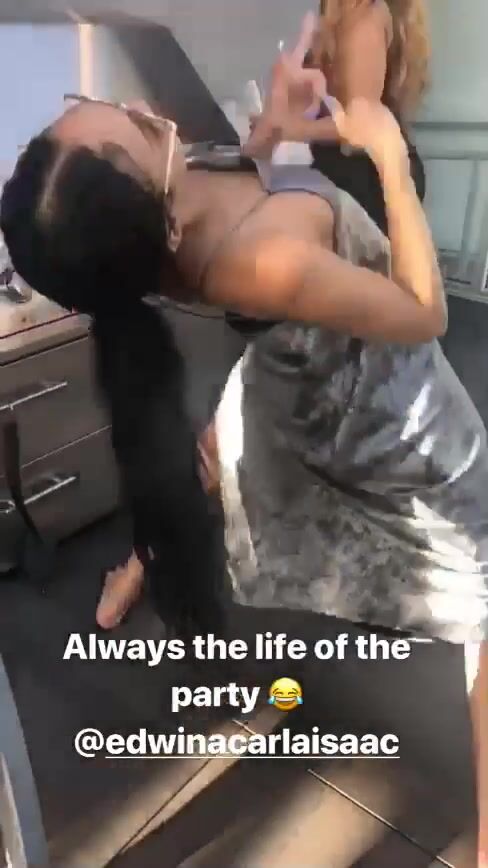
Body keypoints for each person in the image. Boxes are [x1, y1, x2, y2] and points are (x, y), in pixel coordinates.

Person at [245, 0, 428, 234]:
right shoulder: (334, 20)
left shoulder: (365, 16)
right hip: (346, 164)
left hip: (371, 174)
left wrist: (289, 128)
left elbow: (362, 125)